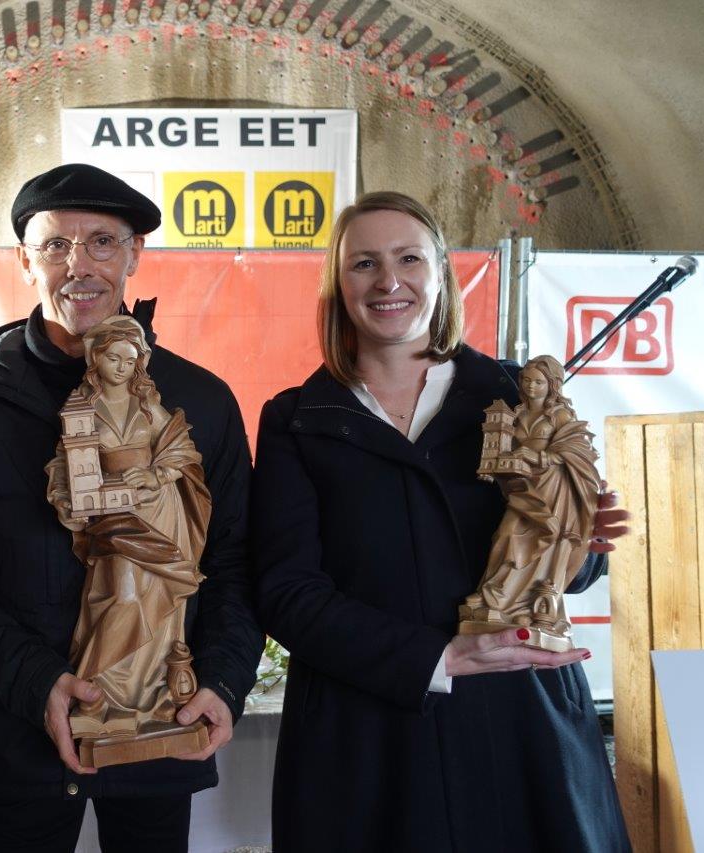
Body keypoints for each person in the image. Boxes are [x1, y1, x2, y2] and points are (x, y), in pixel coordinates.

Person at [251, 192, 632, 852]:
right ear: (338, 285)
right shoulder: (295, 420)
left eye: (409, 259)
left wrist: (582, 539)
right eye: (364, 263)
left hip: (523, 718)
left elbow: (566, 567)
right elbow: (286, 592)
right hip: (368, 729)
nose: (388, 281)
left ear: (441, 272)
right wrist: (436, 657)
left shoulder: (513, 392)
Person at [0, 163, 261, 852]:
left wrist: (221, 680)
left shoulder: (200, 401)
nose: (79, 265)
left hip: (161, 731)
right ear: (23, 260)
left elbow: (237, 561)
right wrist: (37, 685)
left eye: (101, 242)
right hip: (22, 739)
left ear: (134, 255)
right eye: (55, 245)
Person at [45, 315, 210, 739]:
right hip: (114, 512)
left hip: (159, 509)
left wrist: (155, 476)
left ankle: (136, 697)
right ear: (95, 357)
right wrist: (69, 499)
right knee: (123, 595)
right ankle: (93, 691)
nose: (121, 366)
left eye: (129, 359)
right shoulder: (81, 408)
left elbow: (181, 449)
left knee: (157, 607)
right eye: (113, 357)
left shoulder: (145, 405)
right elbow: (68, 465)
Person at [473, 355, 601, 632]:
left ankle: (519, 603)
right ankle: (498, 596)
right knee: (505, 536)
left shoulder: (559, 415)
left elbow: (577, 450)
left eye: (539, 382)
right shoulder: (515, 413)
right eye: (527, 381)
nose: (532, 387)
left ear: (552, 385)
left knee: (547, 543)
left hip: (554, 489)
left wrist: (538, 456)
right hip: (523, 487)